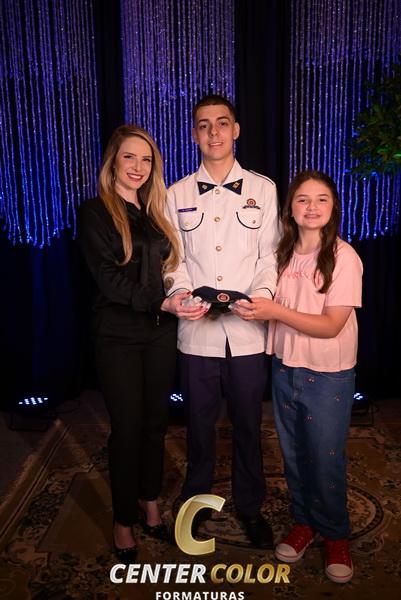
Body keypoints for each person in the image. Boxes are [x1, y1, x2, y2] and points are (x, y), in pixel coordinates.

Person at [232, 170, 363, 583]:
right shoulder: (281, 254)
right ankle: (304, 522)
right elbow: (266, 301)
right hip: (285, 367)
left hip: (327, 375)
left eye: (321, 199)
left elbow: (331, 325)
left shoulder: (343, 256)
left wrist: (275, 312)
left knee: (325, 458)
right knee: (293, 454)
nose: (311, 207)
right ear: (289, 208)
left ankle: (335, 534)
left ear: (333, 207)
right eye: (303, 199)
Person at [163, 94, 280, 548]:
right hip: (196, 332)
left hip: (247, 330)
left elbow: (270, 256)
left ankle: (250, 507)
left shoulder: (263, 189)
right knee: (198, 425)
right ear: (195, 134)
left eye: (222, 123)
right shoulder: (175, 193)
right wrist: (179, 294)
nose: (214, 132)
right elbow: (173, 260)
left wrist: (263, 297)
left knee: (249, 424)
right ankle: (196, 504)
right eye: (204, 125)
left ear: (236, 130)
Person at [78, 124, 191, 563]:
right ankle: (123, 520)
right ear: (113, 161)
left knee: (155, 425)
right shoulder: (95, 212)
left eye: (146, 160)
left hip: (160, 331)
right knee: (127, 430)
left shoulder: (157, 212)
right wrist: (161, 301)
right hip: (118, 336)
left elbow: (169, 269)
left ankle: (150, 502)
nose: (138, 167)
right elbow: (107, 279)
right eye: (129, 157)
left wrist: (180, 296)